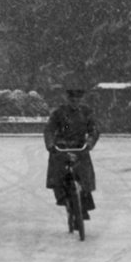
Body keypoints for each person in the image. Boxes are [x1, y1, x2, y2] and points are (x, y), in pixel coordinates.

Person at [44, 83, 101, 218]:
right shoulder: (59, 113)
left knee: (84, 175)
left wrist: (89, 142)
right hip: (61, 148)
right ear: (67, 99)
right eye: (72, 100)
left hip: (79, 148)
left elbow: (94, 129)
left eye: (77, 100)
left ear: (81, 100)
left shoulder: (86, 112)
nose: (74, 103)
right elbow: (49, 129)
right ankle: (63, 198)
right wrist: (51, 144)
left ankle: (84, 204)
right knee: (57, 175)